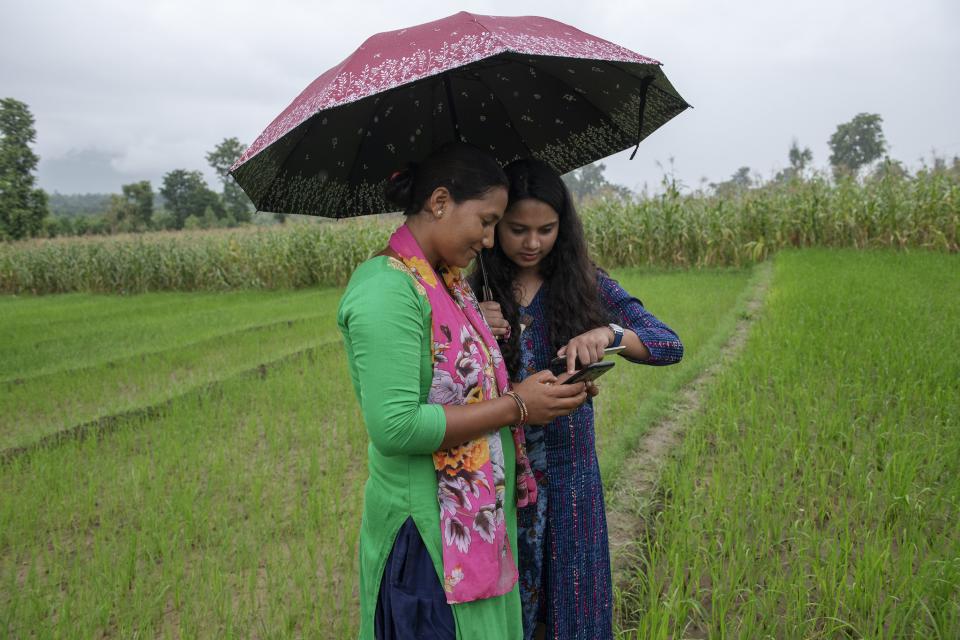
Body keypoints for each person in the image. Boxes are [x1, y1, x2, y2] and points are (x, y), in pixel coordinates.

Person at [337, 143, 592, 640]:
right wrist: (518, 406)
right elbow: (396, 426)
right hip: (426, 536)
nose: (491, 240)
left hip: (474, 519)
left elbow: (463, 383)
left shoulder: (448, 284)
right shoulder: (386, 289)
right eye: (486, 221)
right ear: (439, 202)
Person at [470, 158, 684, 640]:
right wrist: (471, 328)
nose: (531, 242)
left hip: (571, 477)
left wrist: (609, 333)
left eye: (545, 229)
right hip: (503, 482)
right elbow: (445, 390)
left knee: (573, 611)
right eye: (517, 229)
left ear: (562, 228)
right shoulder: (473, 292)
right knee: (510, 619)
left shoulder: (586, 281)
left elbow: (669, 344)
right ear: (493, 226)